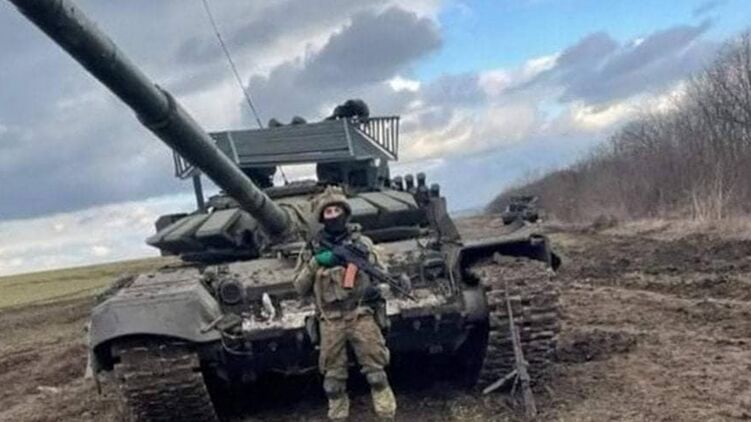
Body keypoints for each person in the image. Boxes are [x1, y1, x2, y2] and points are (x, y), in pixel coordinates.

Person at [293, 187, 396, 420]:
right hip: (330, 320)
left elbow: (380, 272)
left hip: (360, 314)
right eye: (328, 212)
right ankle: (338, 416)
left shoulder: (361, 243)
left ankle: (387, 413)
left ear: (345, 213)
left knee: (376, 374)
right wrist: (316, 263)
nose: (333, 215)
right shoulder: (312, 248)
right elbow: (299, 287)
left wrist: (372, 282)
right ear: (322, 217)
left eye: (337, 210)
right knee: (332, 382)